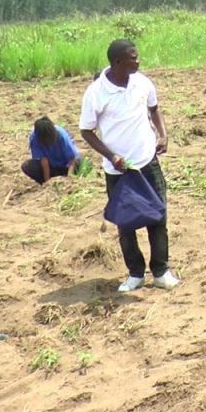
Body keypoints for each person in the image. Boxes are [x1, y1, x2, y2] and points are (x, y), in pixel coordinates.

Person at [80, 39, 179, 292]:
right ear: (117, 62)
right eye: (132, 58)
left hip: (147, 162)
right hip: (119, 169)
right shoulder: (96, 93)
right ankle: (135, 273)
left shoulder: (142, 83)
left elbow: (154, 110)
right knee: (126, 223)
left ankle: (161, 271)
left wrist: (163, 134)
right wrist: (111, 156)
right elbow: (87, 131)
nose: (137, 60)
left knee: (158, 216)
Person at [21, 116, 81, 185]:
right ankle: (43, 183)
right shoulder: (34, 137)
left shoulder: (61, 135)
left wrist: (69, 179)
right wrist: (48, 182)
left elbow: (72, 159)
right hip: (52, 168)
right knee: (27, 166)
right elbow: (43, 160)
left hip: (66, 167)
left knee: (79, 161)